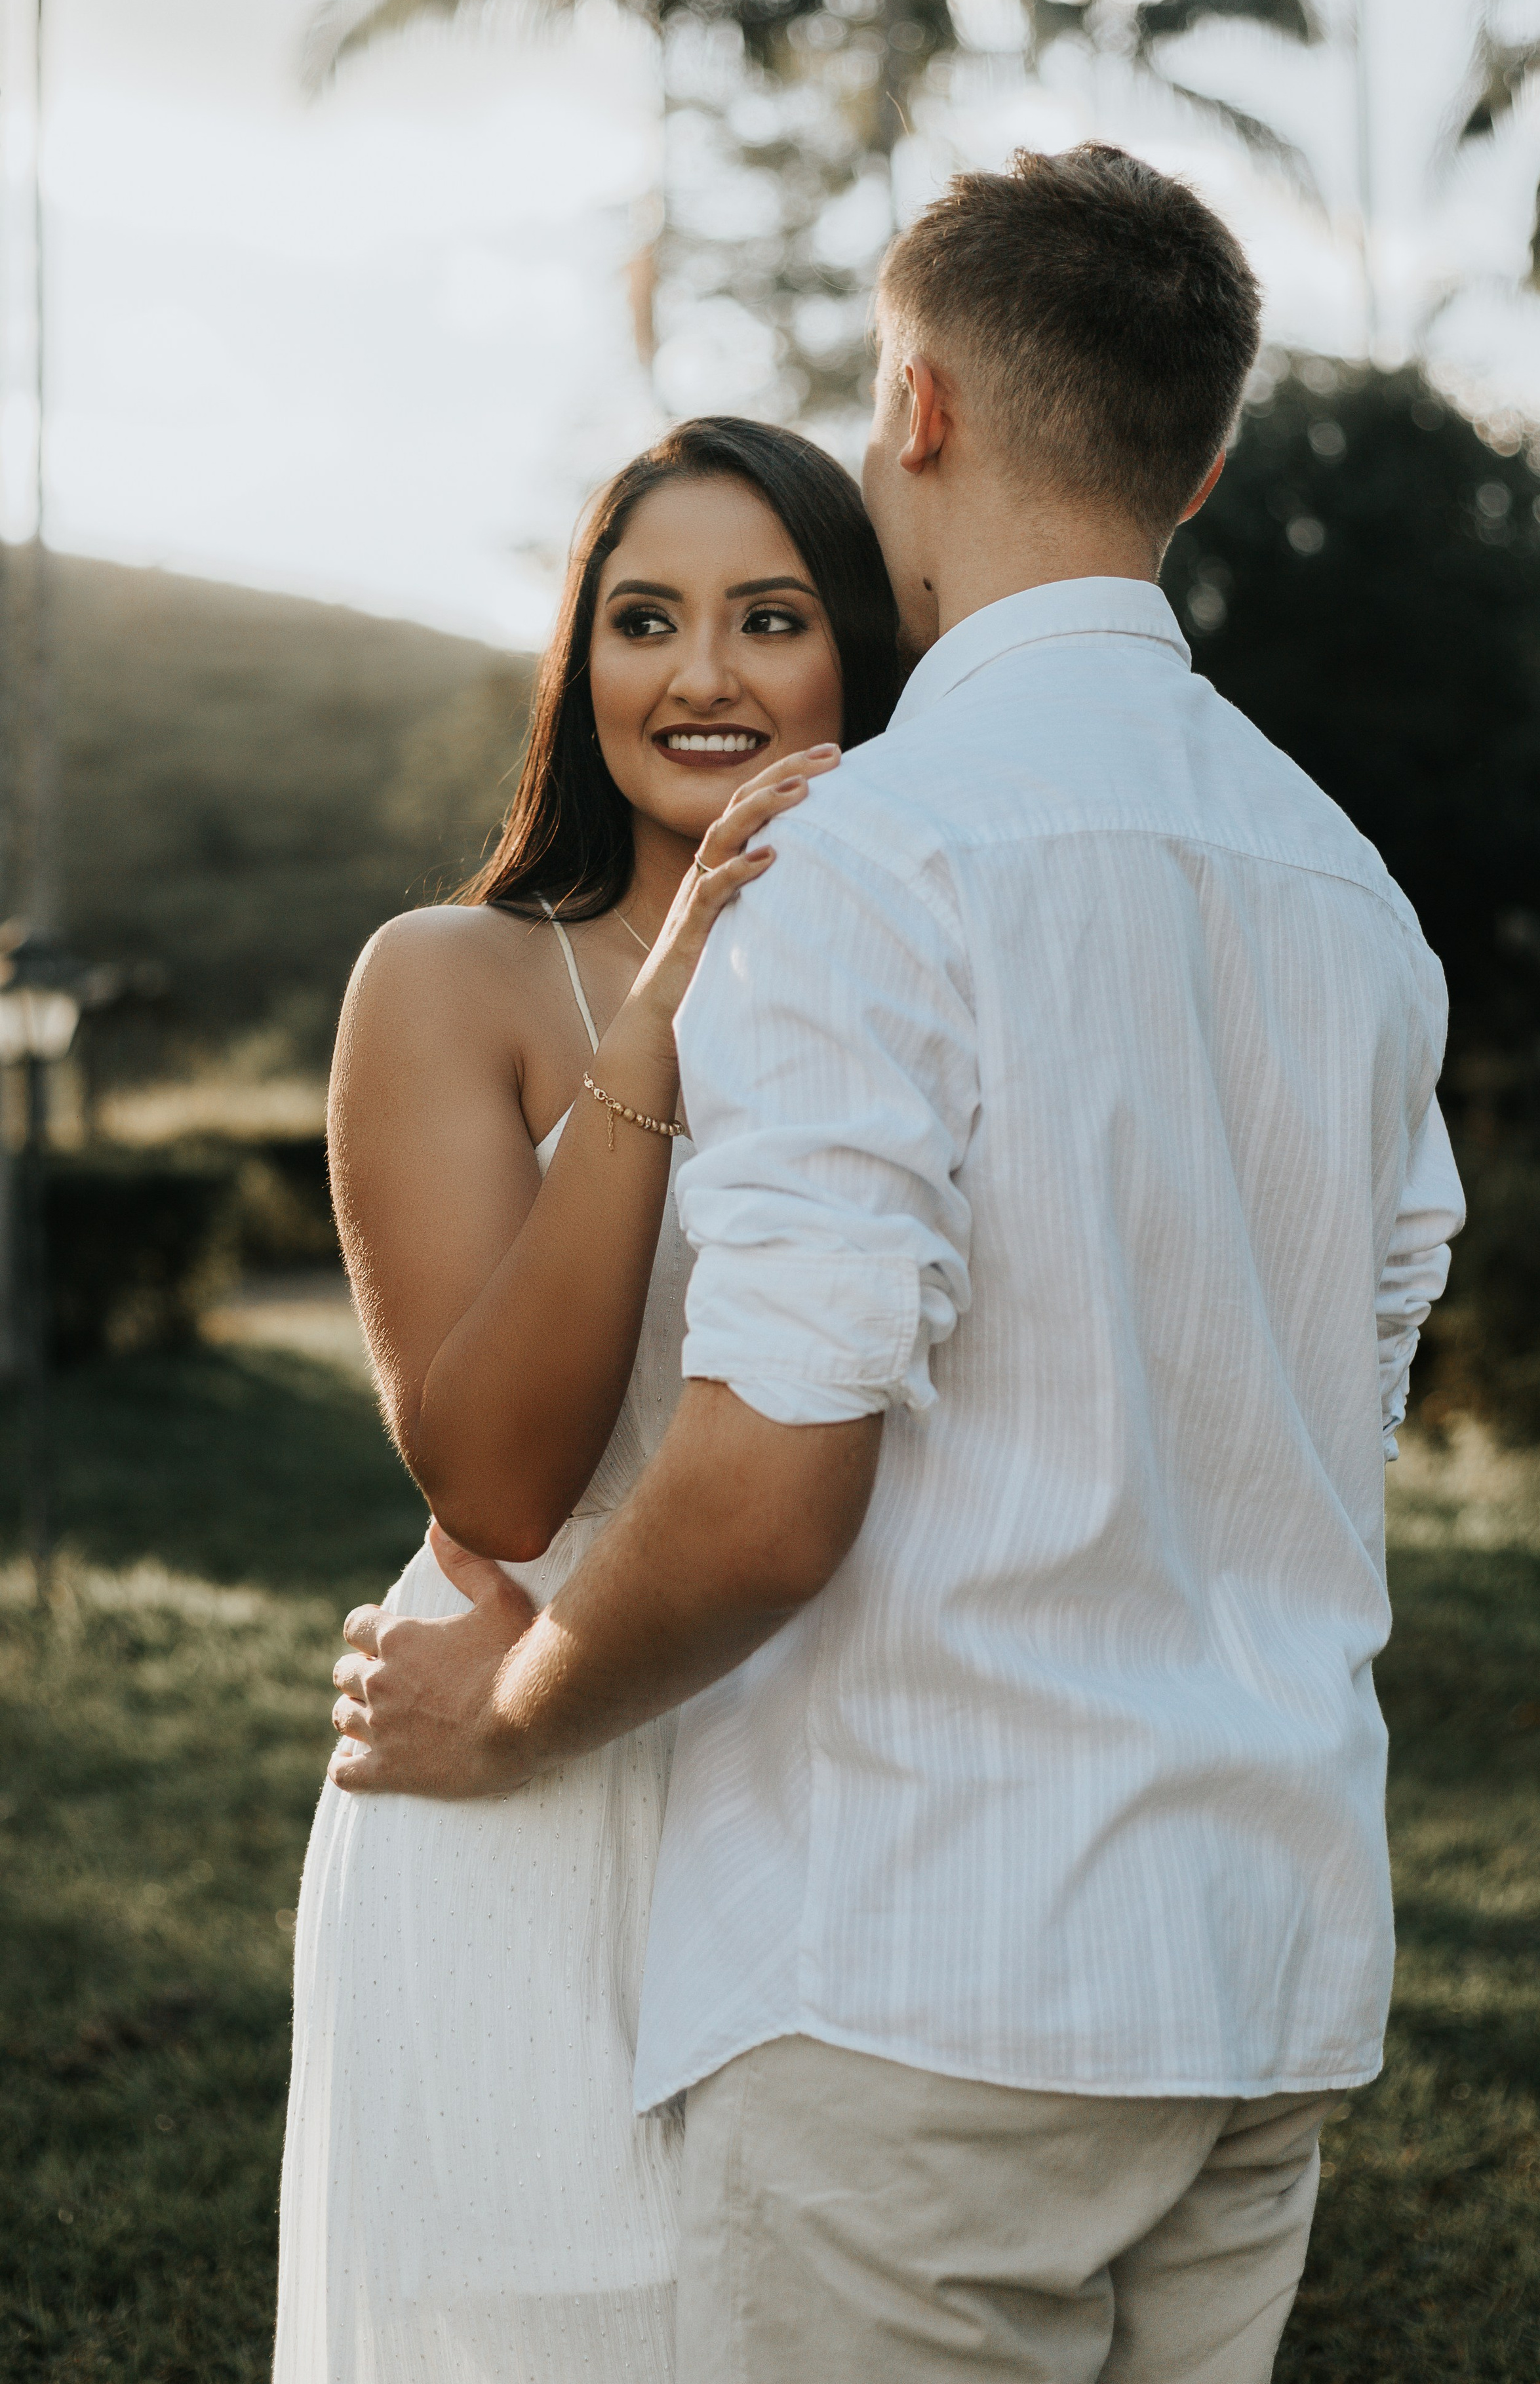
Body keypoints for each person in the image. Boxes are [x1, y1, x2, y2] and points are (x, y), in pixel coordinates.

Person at [329, 146, 1467, 2384]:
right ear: (1208, 463)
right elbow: (1341, 1409)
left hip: (928, 1965)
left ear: (917, 412)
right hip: (1261, 1971)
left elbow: (764, 1501)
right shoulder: (1348, 891)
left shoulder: (881, 854)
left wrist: (517, 1714)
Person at [271, 416, 901, 2384]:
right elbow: (504, 1480)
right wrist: (660, 1011)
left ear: (857, 661)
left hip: (841, 1761)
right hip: (518, 1776)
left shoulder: (934, 969)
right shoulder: (449, 977)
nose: (700, 674)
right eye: (645, 619)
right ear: (581, 666)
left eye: (767, 618)